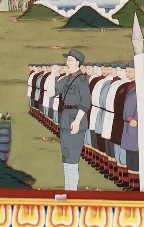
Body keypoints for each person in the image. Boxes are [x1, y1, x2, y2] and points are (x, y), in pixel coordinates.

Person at [57, 49, 92, 190]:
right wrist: (53, 74)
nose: (67, 63)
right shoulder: (66, 79)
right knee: (66, 157)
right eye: (67, 60)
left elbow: (85, 102)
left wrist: (77, 121)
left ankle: (72, 190)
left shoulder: (82, 80)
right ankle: (69, 189)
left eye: (70, 60)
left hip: (75, 122)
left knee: (72, 159)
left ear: (78, 63)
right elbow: (51, 92)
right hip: (65, 121)